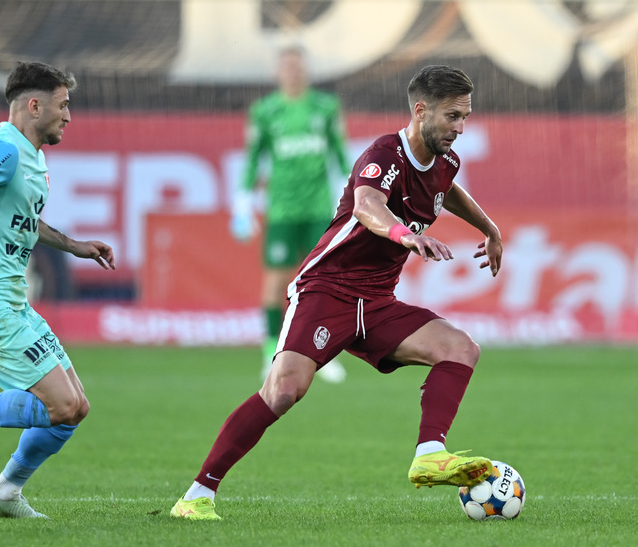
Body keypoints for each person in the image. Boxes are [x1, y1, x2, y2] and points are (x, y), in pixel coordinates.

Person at [172, 64, 502, 521]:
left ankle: (430, 453)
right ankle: (196, 496)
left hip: (377, 301)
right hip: (326, 290)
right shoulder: (385, 154)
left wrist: (490, 228)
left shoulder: (446, 162)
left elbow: (447, 190)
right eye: (451, 117)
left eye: (465, 116)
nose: (460, 127)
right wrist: (405, 235)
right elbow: (368, 205)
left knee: (460, 348)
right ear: (421, 110)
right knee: (284, 390)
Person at [0, 61, 116, 518]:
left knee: (76, 408)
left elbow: (24, 220)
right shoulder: (3, 146)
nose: (68, 116)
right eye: (62, 105)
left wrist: (74, 246)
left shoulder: (32, 157)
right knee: (61, 404)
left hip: (12, 301)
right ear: (34, 105)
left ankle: (4, 493)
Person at [230, 46, 352, 382]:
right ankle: (270, 351)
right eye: (287, 67)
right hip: (282, 211)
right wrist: (243, 202)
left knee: (323, 285)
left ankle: (321, 354)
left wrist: (354, 192)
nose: (293, 72)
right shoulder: (265, 111)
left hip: (318, 210)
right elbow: (254, 157)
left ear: (306, 71)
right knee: (274, 284)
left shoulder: (325, 107)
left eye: (298, 67)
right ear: (278, 73)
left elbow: (340, 152)